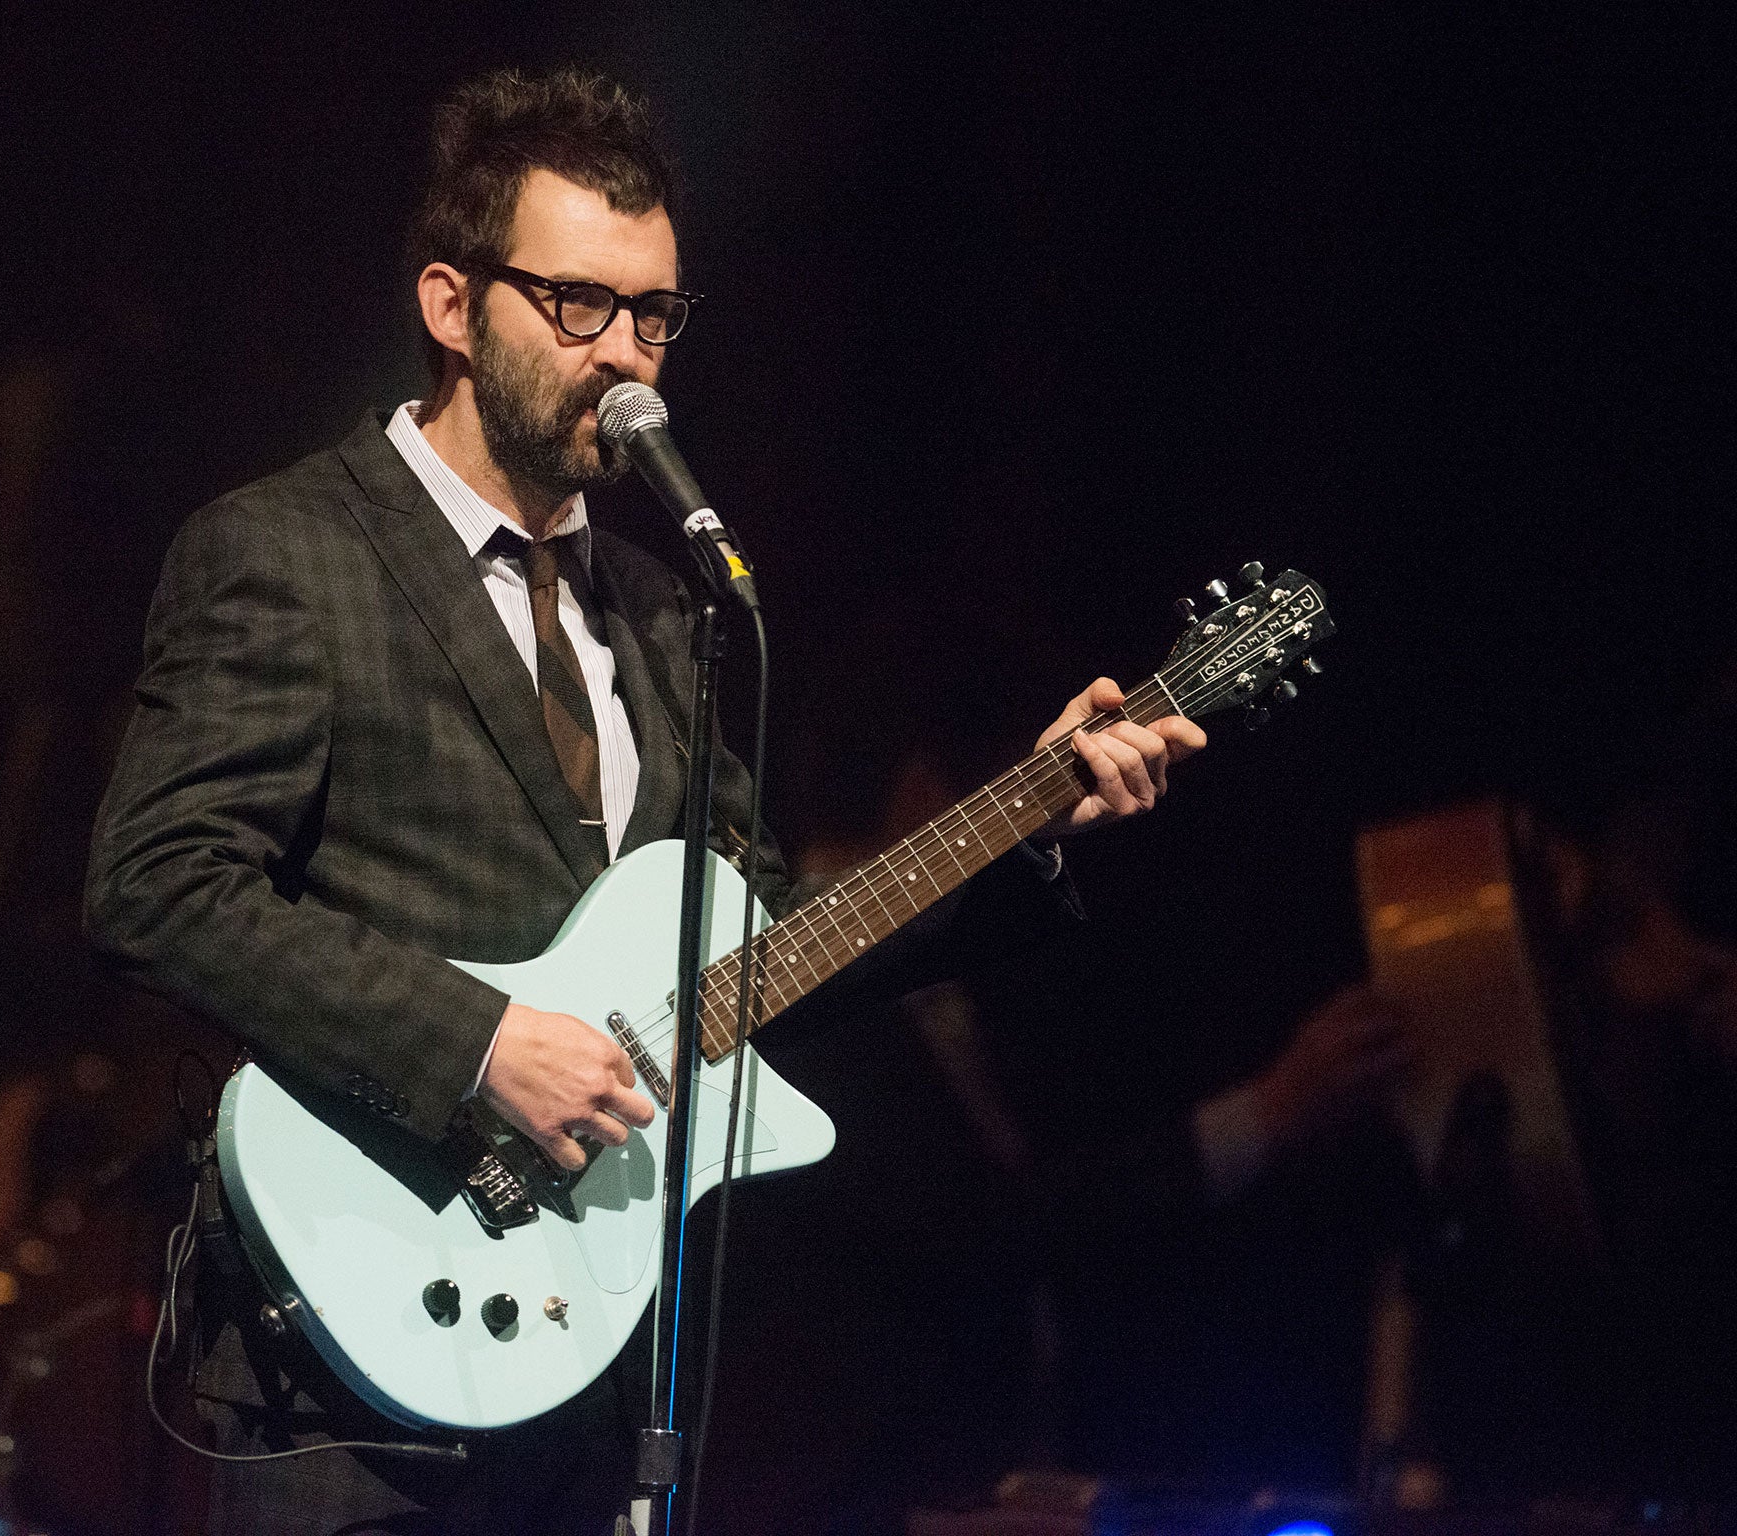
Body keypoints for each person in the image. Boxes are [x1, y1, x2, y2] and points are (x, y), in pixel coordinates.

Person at [83, 65, 1206, 1535]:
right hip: (350, 1361)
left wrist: (1028, 817)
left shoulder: (669, 619)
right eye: (579, 306)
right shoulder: (287, 552)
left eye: (654, 313)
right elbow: (158, 884)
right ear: (449, 306)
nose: (628, 355)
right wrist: (479, 1046)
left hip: (590, 1367)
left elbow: (764, 950)